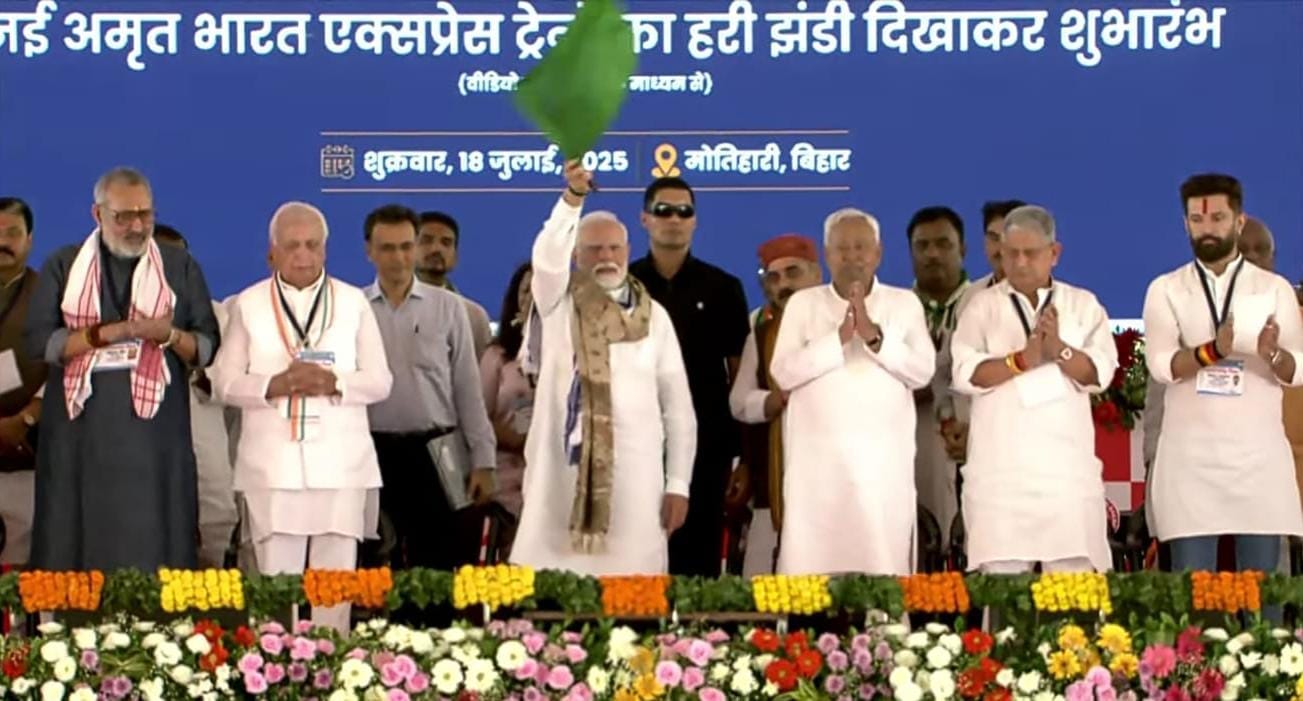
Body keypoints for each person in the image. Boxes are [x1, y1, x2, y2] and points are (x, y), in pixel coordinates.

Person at [25, 167, 220, 571]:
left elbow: (205, 347)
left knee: (157, 543)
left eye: (145, 214)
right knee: (73, 548)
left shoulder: (179, 265)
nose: (137, 226)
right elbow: (39, 343)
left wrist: (168, 334)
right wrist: (106, 334)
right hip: (79, 436)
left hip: (156, 439)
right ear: (97, 214)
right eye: (124, 216)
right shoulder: (64, 264)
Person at [210, 201, 392, 631]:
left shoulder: (352, 302)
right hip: (273, 466)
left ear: (326, 249)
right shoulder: (249, 303)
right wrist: (274, 385)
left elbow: (381, 381)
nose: (303, 255)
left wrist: (334, 382)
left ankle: (333, 663)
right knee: (277, 589)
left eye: (312, 245)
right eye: (292, 246)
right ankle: (274, 666)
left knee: (335, 588)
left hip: (341, 466)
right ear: (271, 252)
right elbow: (223, 382)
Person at [510, 161, 696, 576]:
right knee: (551, 591)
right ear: (576, 255)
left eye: (614, 248)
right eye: (594, 249)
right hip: (561, 481)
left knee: (633, 594)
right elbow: (547, 257)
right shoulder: (557, 303)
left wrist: (678, 484)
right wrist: (572, 198)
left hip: (637, 484)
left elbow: (678, 409)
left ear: (628, 252)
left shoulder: (655, 317)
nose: (606, 257)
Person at [1143, 173, 1303, 573]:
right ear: (1185, 224)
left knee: (1262, 593)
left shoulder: (1274, 289)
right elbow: (1161, 365)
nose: (1207, 228)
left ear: (1239, 221)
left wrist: (1272, 354)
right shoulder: (1166, 289)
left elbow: (1298, 369)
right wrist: (1213, 351)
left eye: (1217, 218)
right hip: (1190, 463)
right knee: (1196, 593)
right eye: (1197, 220)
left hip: (1258, 461)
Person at [951, 205, 1116, 573]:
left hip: (1065, 481)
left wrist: (1059, 350)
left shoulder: (1082, 304)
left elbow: (1098, 373)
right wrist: (1022, 361)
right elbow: (967, 374)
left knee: (1073, 597)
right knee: (1003, 597)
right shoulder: (981, 307)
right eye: (1011, 253)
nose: (1020, 262)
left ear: (1054, 253)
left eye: (1031, 253)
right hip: (1001, 483)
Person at [770, 207, 934, 575]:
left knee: (881, 567)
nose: (852, 257)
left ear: (878, 253)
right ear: (827, 255)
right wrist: (839, 339)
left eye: (861, 247)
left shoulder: (903, 303)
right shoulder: (803, 304)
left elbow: (922, 372)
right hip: (818, 473)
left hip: (882, 469)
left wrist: (874, 338)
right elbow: (783, 373)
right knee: (811, 572)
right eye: (842, 248)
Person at [362, 204, 496, 572]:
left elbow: (468, 389)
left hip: (437, 451)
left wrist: (483, 461)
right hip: (371, 452)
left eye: (407, 246)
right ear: (369, 251)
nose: (398, 257)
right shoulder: (353, 308)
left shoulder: (449, 308)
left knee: (438, 563)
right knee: (374, 565)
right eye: (387, 248)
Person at [630, 176, 750, 576]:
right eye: (663, 210)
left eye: (684, 212)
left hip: (707, 447)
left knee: (698, 561)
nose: (674, 219)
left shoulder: (724, 288)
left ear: (695, 221)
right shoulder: (624, 288)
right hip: (636, 443)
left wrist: (743, 459)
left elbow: (739, 378)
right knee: (635, 556)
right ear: (645, 219)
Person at [727, 233, 822, 576]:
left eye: (793, 272)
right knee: (764, 590)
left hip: (834, 479)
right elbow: (739, 401)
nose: (784, 285)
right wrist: (772, 401)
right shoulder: (760, 326)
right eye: (774, 277)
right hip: (773, 482)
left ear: (816, 274)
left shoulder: (841, 319)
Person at [153, 224, 239, 569]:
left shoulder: (218, 316)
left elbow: (234, 382)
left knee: (216, 525)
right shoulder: (120, 320)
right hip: (144, 447)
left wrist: (197, 372)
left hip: (204, 440)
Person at [906, 206, 971, 549]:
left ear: (963, 249)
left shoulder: (984, 302)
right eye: (922, 245)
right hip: (914, 443)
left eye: (943, 244)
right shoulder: (892, 311)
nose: (932, 254)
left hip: (980, 439)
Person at [0, 198, 47, 566]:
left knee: (20, 556)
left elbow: (67, 366)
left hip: (27, 442)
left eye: (13, 233)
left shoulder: (52, 296)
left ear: (29, 239)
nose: (3, 242)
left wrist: (28, 416)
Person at [479, 262, 535, 521]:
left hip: (555, 475)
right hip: (507, 479)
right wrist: (512, 438)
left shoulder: (573, 355)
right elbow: (478, 419)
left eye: (541, 288)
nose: (533, 297)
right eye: (526, 290)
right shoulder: (496, 356)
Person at [416, 211, 493, 359]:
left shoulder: (473, 315)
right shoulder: (384, 307)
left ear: (455, 256)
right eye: (426, 240)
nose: (436, 249)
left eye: (446, 243)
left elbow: (481, 369)